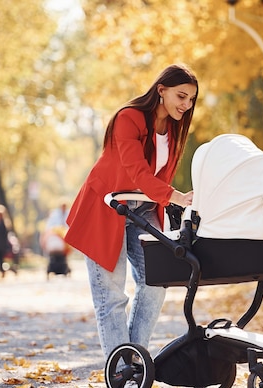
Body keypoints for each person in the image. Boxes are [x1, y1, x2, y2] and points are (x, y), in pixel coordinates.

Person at [64, 64, 198, 361]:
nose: (186, 105)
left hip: (144, 209)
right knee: (111, 296)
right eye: (181, 96)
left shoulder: (174, 129)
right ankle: (122, 370)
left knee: (156, 282)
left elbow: (157, 177)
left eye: (190, 99)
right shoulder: (130, 118)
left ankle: (134, 361)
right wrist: (176, 197)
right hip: (106, 207)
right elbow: (136, 171)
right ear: (161, 90)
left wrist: (171, 199)